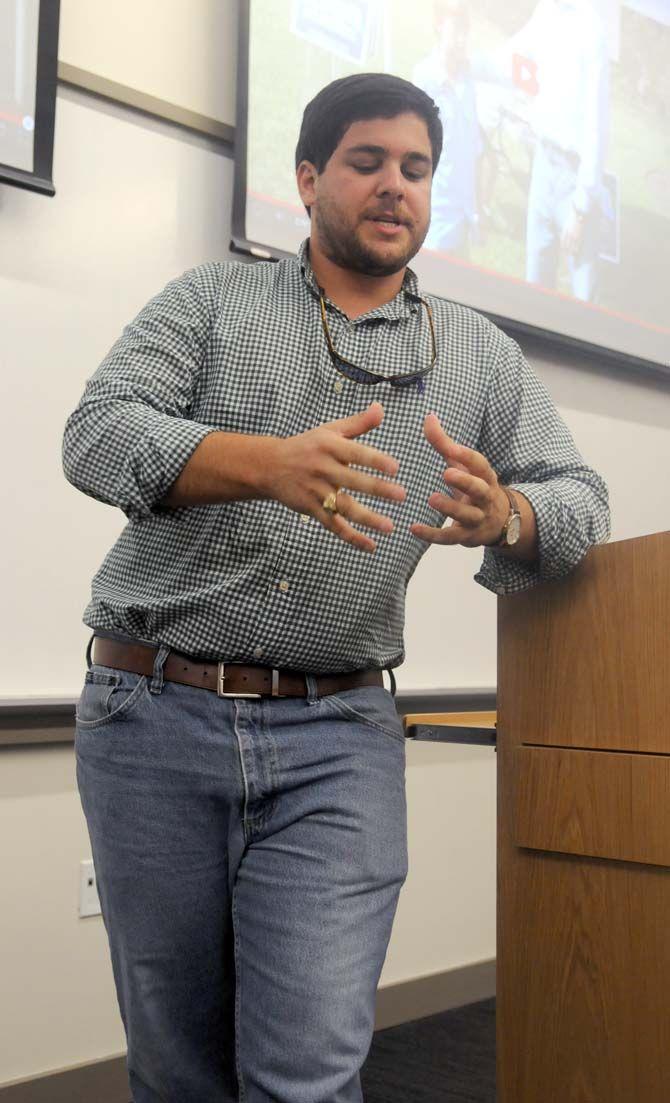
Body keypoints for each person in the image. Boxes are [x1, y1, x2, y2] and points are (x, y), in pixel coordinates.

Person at [62, 72, 610, 1103]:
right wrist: (262, 463)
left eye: (416, 168)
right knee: (176, 1066)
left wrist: (511, 518)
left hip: (339, 734)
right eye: (367, 161)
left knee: (306, 1070)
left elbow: (580, 498)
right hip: (151, 714)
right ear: (309, 176)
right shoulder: (209, 301)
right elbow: (96, 435)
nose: (393, 184)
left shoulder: (479, 357)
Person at [503, 0, 611, 300]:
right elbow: (515, 51)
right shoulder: (546, 12)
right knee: (536, 280)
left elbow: (596, 127)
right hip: (543, 162)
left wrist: (581, 206)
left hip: (574, 177)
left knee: (583, 291)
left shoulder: (592, 29)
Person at [412, 0, 483, 255]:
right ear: (440, 25)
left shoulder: (468, 81)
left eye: (466, 30)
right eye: (457, 28)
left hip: (464, 219)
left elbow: (473, 149)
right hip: (435, 219)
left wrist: (477, 207)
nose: (463, 38)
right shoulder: (425, 78)